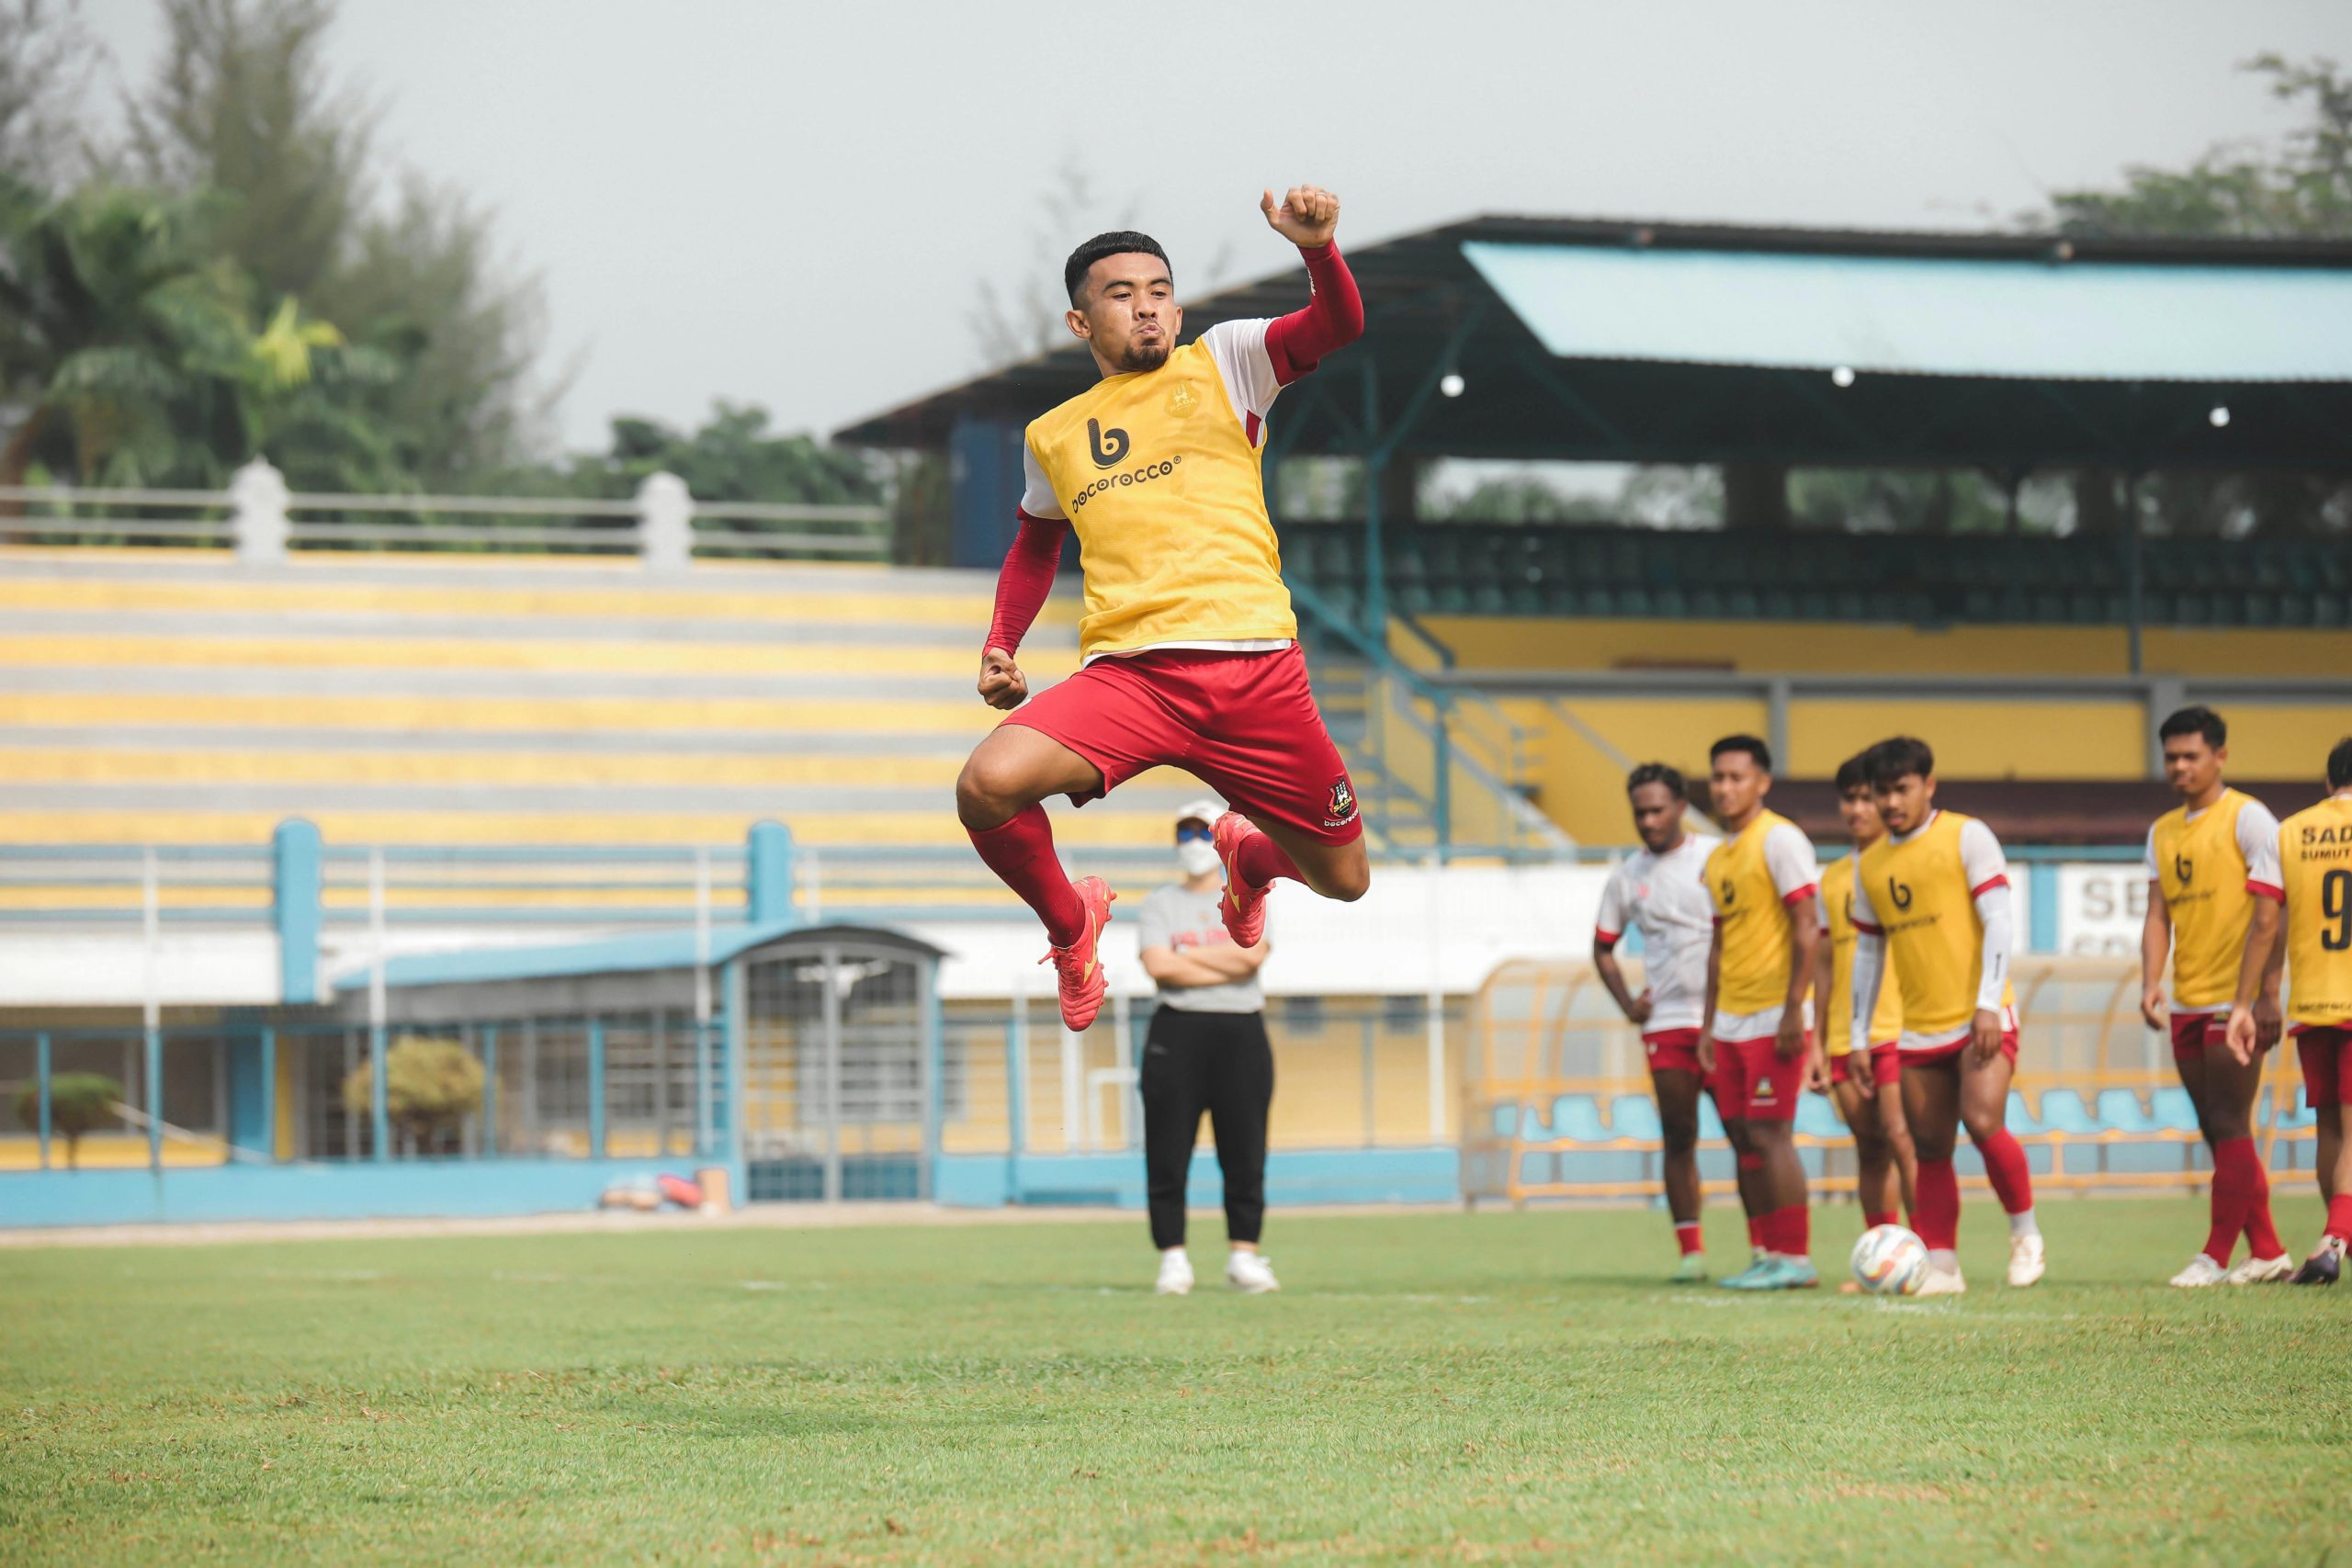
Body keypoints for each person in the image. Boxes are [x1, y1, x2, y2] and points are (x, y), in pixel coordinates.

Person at [955, 186, 1369, 1032]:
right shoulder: (1055, 434)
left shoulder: (1228, 361)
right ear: (1080, 324)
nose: (1146, 307)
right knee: (985, 787)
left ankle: (1247, 859)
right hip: (1133, 680)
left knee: (1347, 878)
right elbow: (1036, 542)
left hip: (1257, 674)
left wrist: (1320, 250)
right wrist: (1001, 643)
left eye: (1158, 292)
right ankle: (1073, 924)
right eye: (1121, 294)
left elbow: (1336, 327)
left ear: (1176, 308)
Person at [1849, 737, 2043, 1295]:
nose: (1891, 803)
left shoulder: (1966, 835)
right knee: (1929, 1147)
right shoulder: (1871, 863)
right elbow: (1868, 954)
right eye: (1881, 792)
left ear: (1928, 785)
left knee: (1983, 1121)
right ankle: (1942, 1265)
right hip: (1917, 1026)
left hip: (1979, 1014)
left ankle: (2026, 1235)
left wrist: (1988, 1002)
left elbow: (1999, 920)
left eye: (1902, 789)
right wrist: (1862, 1035)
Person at [2139, 705, 2291, 1287]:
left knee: (2229, 1122)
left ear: (2219, 756)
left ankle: (2215, 1254)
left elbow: (2273, 916)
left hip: (2235, 1004)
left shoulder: (2250, 820)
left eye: (2191, 756)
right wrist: (2152, 981)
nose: (2180, 767)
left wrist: (2263, 997)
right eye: (2172, 757)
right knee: (2217, 1128)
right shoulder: (2162, 831)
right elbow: (2157, 914)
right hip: (2185, 1000)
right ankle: (2270, 1250)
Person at [1136, 800, 1278, 1295]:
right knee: (1167, 1149)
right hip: (1177, 1032)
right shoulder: (1158, 904)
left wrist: (1187, 955)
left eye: (1204, 832)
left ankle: (1244, 1255)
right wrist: (1222, 959)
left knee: (1245, 1150)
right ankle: (1173, 1258)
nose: (1194, 843)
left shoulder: (1250, 895)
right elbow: (1159, 967)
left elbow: (1252, 957)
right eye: (1185, 832)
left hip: (1241, 1032)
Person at [1696, 735, 1823, 1292]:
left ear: (1762, 782)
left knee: (1772, 1136)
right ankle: (1767, 1252)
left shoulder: (1781, 839)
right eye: (1718, 777)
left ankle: (1796, 1257)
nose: (1725, 787)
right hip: (1730, 1019)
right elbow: (1720, 948)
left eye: (1737, 777)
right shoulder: (1719, 857)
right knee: (1745, 1138)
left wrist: (1796, 1007)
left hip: (1776, 1013)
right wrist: (1707, 1024)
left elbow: (1807, 926)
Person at [2226, 736, 2352, 1286]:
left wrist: (2257, 998)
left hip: (2313, 1004)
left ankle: (2339, 1240)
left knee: (2330, 1127)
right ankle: (2333, 1241)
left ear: (2329, 782)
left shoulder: (2291, 831)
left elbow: (2266, 924)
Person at [1591, 762, 1724, 1281]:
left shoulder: (1715, 860)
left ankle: (1768, 1247)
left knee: (1749, 1135)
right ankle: (1691, 1251)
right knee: (1679, 1135)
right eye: (1639, 812)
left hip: (1726, 1020)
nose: (1647, 820)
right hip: (1667, 1022)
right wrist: (1629, 1005)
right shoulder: (1627, 878)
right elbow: (1602, 949)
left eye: (1656, 809)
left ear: (1681, 808)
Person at [1816, 754, 1916, 1254]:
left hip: (1897, 1027)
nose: (1857, 809)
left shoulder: (1903, 865)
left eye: (1865, 798)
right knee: (1870, 1147)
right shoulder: (1832, 878)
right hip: (1841, 1034)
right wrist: (1816, 1041)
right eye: (1848, 799)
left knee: (1903, 1137)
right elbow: (1824, 965)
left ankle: (1933, 1251)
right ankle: (1883, 1253)